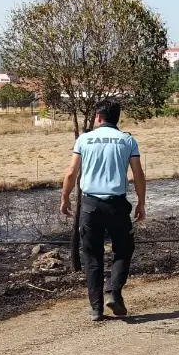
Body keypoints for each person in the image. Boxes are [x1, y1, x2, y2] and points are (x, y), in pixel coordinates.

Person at [60, 100, 146, 321]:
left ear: (98, 117)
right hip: (117, 205)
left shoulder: (84, 139)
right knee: (124, 250)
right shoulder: (127, 140)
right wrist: (141, 203)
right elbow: (138, 174)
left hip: (90, 205)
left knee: (92, 256)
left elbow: (71, 172)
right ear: (117, 118)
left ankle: (96, 308)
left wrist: (65, 198)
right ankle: (114, 291)